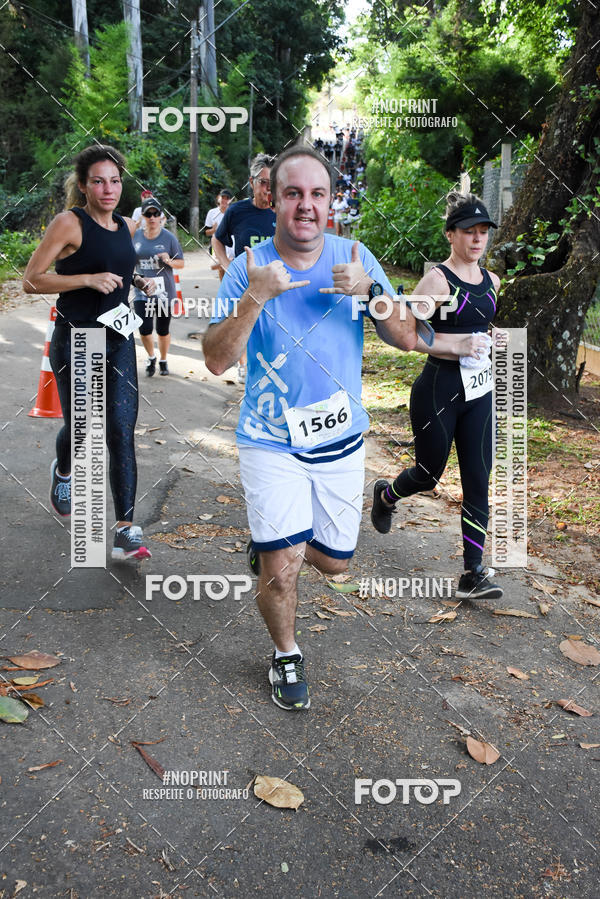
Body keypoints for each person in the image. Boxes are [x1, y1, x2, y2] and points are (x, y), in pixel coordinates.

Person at [203, 144, 428, 711]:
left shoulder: (355, 254)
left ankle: (274, 546)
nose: (306, 205)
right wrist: (255, 296)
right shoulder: (248, 266)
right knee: (283, 568)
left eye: (317, 194)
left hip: (339, 439)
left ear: (331, 201)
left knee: (335, 562)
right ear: (272, 199)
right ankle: (286, 652)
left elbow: (407, 338)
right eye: (293, 194)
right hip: (268, 439)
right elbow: (215, 359)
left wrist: (372, 293)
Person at [23, 143, 155, 561]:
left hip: (118, 339)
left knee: (120, 429)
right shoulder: (68, 224)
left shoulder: (126, 227)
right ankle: (63, 470)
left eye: (115, 180)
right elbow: (31, 280)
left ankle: (125, 530)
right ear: (84, 186)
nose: (108, 188)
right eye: (98, 181)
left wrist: (138, 284)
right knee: (82, 430)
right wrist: (86, 280)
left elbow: (118, 268)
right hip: (77, 339)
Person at [370, 191, 504, 600]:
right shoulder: (438, 280)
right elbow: (409, 335)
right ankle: (386, 494)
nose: (477, 239)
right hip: (438, 388)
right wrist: (455, 347)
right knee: (429, 474)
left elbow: (480, 324)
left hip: (478, 390)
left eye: (483, 232)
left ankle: (473, 572)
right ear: (451, 235)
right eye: (469, 231)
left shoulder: (494, 281)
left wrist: (490, 337)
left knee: (478, 479)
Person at [212, 154, 276, 382]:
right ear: (251, 182)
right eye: (263, 182)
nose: (268, 188)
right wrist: (227, 266)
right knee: (243, 325)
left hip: (277, 284)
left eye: (273, 182)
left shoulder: (284, 212)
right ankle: (243, 365)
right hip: (245, 284)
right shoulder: (237, 211)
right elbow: (217, 240)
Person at [133, 196, 184, 376]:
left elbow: (181, 263)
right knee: (145, 329)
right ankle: (151, 356)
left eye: (156, 214)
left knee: (162, 330)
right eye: (149, 214)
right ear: (143, 216)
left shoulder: (169, 238)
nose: (152, 218)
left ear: (161, 216)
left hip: (164, 293)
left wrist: (168, 260)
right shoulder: (136, 236)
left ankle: (163, 359)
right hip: (142, 292)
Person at [204, 189, 233, 280]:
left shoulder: (234, 212)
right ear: (218, 198)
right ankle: (224, 288)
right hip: (217, 244)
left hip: (231, 245)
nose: (224, 200)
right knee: (216, 267)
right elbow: (206, 232)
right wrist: (213, 230)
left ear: (230, 200)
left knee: (229, 269)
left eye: (227, 198)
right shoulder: (212, 213)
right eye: (222, 197)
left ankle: (227, 290)